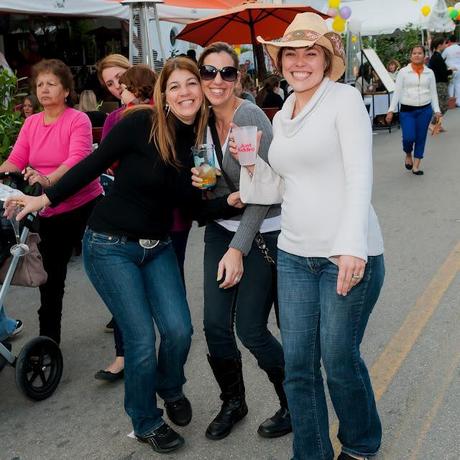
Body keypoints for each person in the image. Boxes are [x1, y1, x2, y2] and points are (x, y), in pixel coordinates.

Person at [5, 57, 243, 455]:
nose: (184, 92)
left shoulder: (200, 143)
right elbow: (91, 165)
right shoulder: (139, 124)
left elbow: (194, 208)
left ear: (202, 91)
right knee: (138, 339)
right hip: (110, 245)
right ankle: (146, 421)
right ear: (163, 95)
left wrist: (231, 203)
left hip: (158, 245)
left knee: (179, 330)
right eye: (175, 86)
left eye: (191, 84)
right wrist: (43, 198)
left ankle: (170, 387)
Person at [233, 13, 385, 460]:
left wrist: (352, 245)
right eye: (291, 54)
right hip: (295, 255)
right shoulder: (282, 115)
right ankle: (311, 453)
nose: (300, 62)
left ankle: (360, 445)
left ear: (326, 59)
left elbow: (360, 176)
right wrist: (252, 167)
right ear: (280, 61)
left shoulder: (344, 100)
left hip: (345, 254)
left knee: (339, 362)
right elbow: (285, 184)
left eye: (310, 53)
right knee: (299, 368)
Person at [195, 42, 291, 441]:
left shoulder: (249, 115)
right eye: (209, 72)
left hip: (263, 229)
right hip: (223, 228)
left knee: (250, 328)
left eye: (227, 73)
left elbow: (270, 187)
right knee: (215, 324)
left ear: (239, 77)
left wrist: (239, 247)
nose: (217, 81)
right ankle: (233, 401)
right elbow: (210, 184)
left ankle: (295, 398)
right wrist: (209, 190)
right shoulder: (198, 120)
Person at [0, 59, 103, 345]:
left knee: (104, 268)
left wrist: (47, 180)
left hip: (85, 205)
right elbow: (16, 159)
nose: (44, 90)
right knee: (52, 281)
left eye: (51, 84)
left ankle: (122, 316)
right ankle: (49, 343)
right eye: (40, 84)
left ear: (67, 90)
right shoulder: (32, 122)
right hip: (48, 211)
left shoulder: (77, 119)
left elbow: (77, 160)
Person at [94, 63, 158, 383]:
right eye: (112, 83)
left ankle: (129, 355)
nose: (118, 88)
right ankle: (133, 353)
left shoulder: (121, 117)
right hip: (146, 215)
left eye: (122, 82)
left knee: (130, 289)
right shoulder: (162, 115)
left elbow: (106, 159)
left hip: (133, 214)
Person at [386, 45, 441, 175]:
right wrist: (391, 110)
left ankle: (416, 166)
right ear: (410, 56)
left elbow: (433, 93)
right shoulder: (403, 72)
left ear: (424, 55)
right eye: (414, 53)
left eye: (420, 53)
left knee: (421, 138)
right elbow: (397, 92)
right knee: (408, 138)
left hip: (425, 110)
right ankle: (408, 153)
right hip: (407, 111)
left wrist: (437, 110)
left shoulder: (429, 73)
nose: (417, 55)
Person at [96, 54, 132, 139]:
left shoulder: (160, 107)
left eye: (119, 76)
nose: (117, 85)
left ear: (132, 71)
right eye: (109, 84)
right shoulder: (112, 119)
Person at [428, 37, 451, 132]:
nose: (446, 46)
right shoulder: (437, 57)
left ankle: (437, 124)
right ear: (439, 45)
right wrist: (450, 71)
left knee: (441, 104)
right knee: (443, 105)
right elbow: (443, 72)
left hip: (439, 83)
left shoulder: (436, 56)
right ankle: (433, 123)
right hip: (439, 83)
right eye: (444, 44)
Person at [442, 35, 460, 106]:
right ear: (456, 40)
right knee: (458, 84)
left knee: (451, 85)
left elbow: (442, 58)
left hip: (450, 69)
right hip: (459, 68)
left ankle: (450, 102)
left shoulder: (447, 49)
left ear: (449, 41)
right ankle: (458, 102)